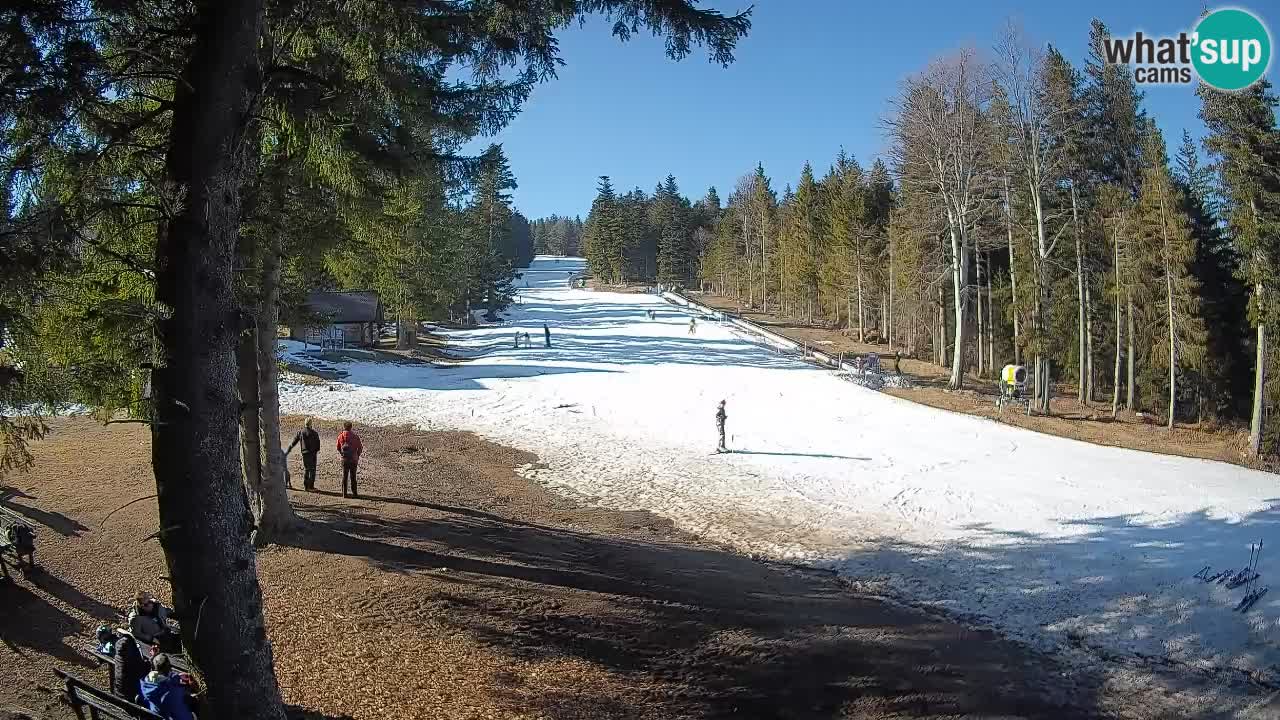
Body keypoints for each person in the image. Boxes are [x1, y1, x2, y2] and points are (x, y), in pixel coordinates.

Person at [140, 654, 197, 720]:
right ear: (169, 668)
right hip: (171, 714)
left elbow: (165, 679)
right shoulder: (172, 693)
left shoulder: (148, 680)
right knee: (193, 700)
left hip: (156, 710)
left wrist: (178, 676)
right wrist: (190, 687)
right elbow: (182, 715)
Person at [112, 629, 150, 704]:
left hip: (118, 692)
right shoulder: (132, 662)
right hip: (130, 696)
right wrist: (151, 658)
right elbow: (144, 671)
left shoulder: (118, 658)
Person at [286, 418, 321, 491]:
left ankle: (306, 486)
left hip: (304, 453)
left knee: (307, 469)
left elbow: (295, 441)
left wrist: (290, 447)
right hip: (312, 453)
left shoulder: (301, 432)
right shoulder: (314, 433)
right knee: (312, 470)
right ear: (311, 424)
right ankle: (311, 486)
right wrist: (316, 450)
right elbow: (318, 444)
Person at [336, 421, 363, 498]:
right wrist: (357, 455)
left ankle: (344, 494)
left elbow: (338, 447)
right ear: (351, 427)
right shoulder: (355, 436)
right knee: (353, 476)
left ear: (344, 427)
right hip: (353, 459)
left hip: (344, 459)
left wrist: (342, 453)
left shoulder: (340, 436)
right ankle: (355, 493)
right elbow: (360, 447)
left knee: (345, 476)